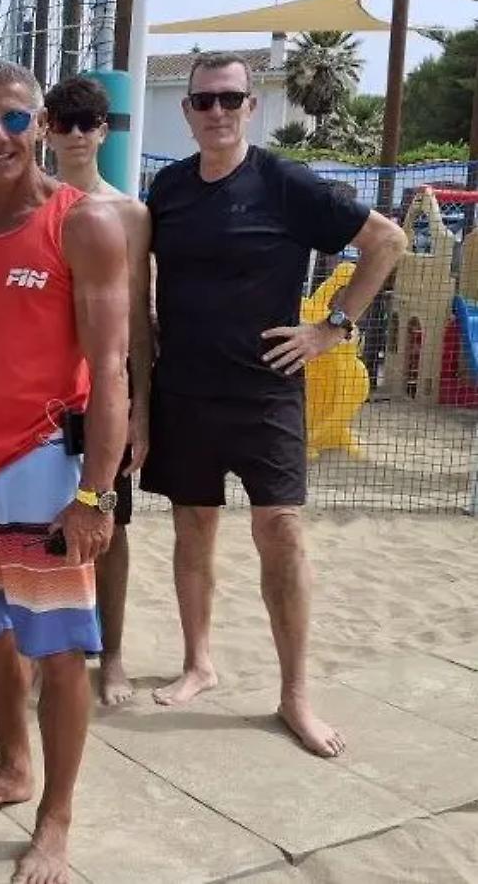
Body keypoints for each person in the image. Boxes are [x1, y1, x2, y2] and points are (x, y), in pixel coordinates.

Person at [142, 52, 407, 757]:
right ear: (189, 109)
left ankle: (295, 694)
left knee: (281, 533)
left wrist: (333, 328)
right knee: (192, 529)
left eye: (230, 99)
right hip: (186, 391)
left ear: (251, 105)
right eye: (204, 101)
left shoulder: (282, 181)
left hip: (265, 392)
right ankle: (199, 661)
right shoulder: (167, 188)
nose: (217, 112)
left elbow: (387, 239)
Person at [0, 61, 129, 884]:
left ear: (42, 123)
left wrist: (96, 494)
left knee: (58, 652)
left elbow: (112, 368)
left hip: (46, 467)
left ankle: (56, 815)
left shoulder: (83, 224)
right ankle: (13, 768)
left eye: (14, 119)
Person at [44, 75, 153, 707]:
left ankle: (110, 656)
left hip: (103, 396)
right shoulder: (31, 205)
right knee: (41, 526)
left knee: (110, 526)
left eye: (88, 123)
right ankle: (46, 651)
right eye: (65, 122)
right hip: (43, 398)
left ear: (104, 131)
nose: (77, 134)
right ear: (47, 130)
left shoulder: (129, 214)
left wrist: (142, 410)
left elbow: (140, 319)